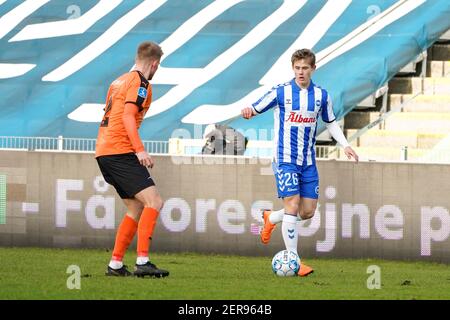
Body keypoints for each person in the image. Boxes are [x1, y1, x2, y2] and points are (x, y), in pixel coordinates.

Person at [241, 48, 359, 277]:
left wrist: (345, 145)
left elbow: (331, 122)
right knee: (292, 205)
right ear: (292, 68)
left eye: (305, 68)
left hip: (308, 162)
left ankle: (270, 218)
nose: (301, 72)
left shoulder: (321, 96)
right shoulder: (281, 92)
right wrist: (248, 111)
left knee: (306, 212)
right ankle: (294, 261)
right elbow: (255, 107)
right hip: (285, 160)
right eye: (297, 68)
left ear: (313, 69)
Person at [95, 41, 169, 278]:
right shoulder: (140, 83)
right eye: (159, 65)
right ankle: (143, 262)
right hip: (120, 150)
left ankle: (115, 265)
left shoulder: (118, 81)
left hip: (104, 150)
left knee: (136, 206)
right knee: (154, 201)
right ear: (155, 64)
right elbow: (127, 116)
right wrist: (139, 149)